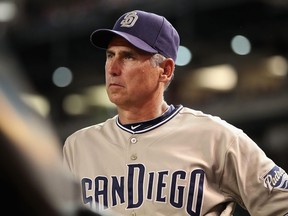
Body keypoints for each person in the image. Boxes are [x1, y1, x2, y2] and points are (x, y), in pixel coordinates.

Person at [63, 10, 288, 216]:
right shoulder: (78, 147)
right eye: (110, 55)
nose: (113, 68)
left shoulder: (216, 137)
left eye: (128, 56)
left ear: (165, 70)